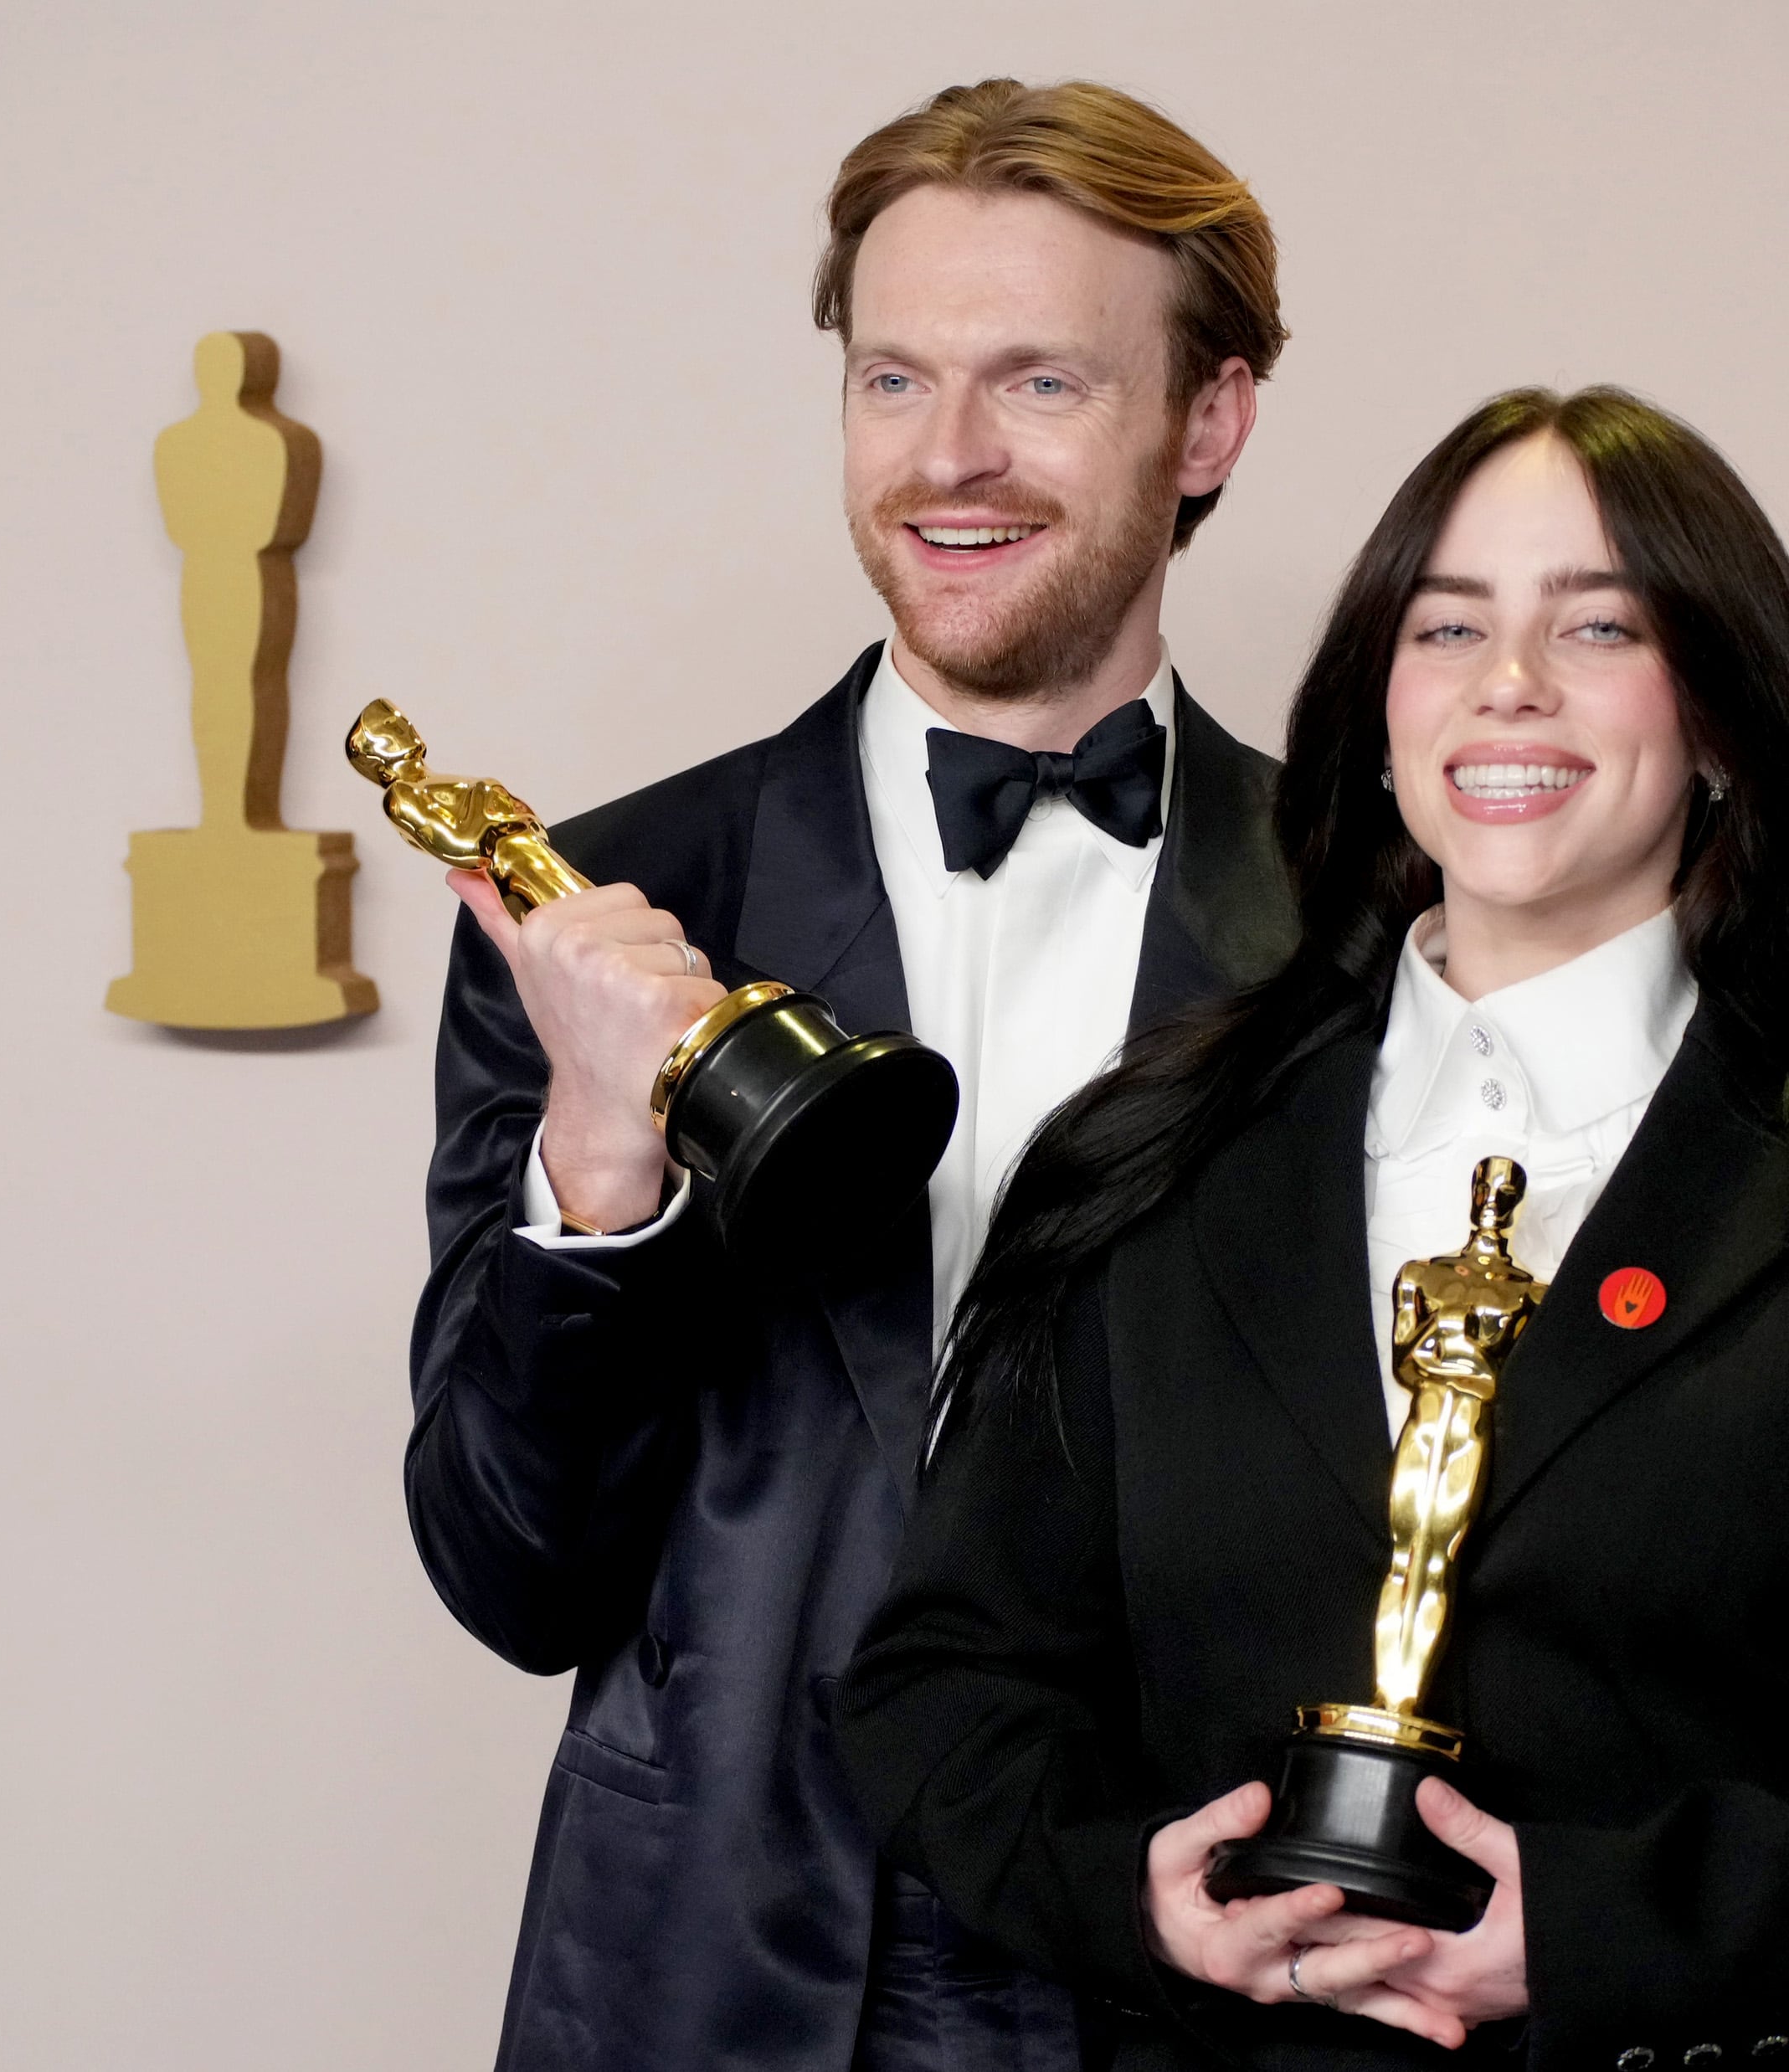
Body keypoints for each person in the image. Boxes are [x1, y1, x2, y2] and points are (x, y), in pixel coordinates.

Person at [838, 388, 1789, 2069]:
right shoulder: (1149, 1152)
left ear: (1721, 717)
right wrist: (1137, 1895)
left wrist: (1616, 1927)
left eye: (1599, 625)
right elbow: (943, 1680)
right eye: (1448, 626)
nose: (1509, 682)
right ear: (1381, 708)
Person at [404, 80, 1298, 2072]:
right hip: (719, 1969)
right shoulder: (608, 904)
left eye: (1039, 380)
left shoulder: (1387, 917)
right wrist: (599, 1165)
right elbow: (510, 1573)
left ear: (1207, 421)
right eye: (892, 377)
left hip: (1207, 1965)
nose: (945, 456)